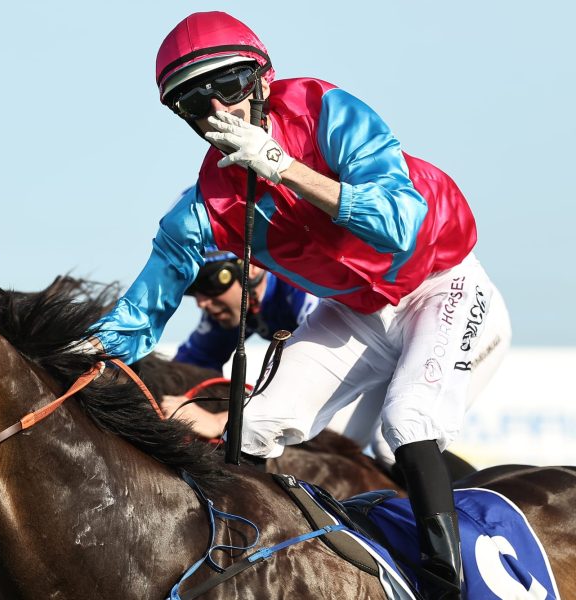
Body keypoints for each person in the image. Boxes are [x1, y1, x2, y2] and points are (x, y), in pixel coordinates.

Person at [84, 11, 511, 598]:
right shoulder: (203, 207)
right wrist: (77, 351)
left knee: (406, 422)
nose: (218, 110)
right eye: (194, 102)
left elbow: (400, 225)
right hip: (356, 312)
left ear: (263, 79)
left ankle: (449, 585)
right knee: (254, 425)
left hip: (442, 284)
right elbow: (140, 316)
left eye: (228, 86)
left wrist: (284, 169)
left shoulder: (327, 109)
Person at [162, 248, 319, 438]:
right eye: (193, 290)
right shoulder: (233, 308)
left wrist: (221, 421)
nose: (201, 303)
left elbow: (314, 372)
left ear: (252, 267)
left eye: (209, 282)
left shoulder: (299, 283)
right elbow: (189, 369)